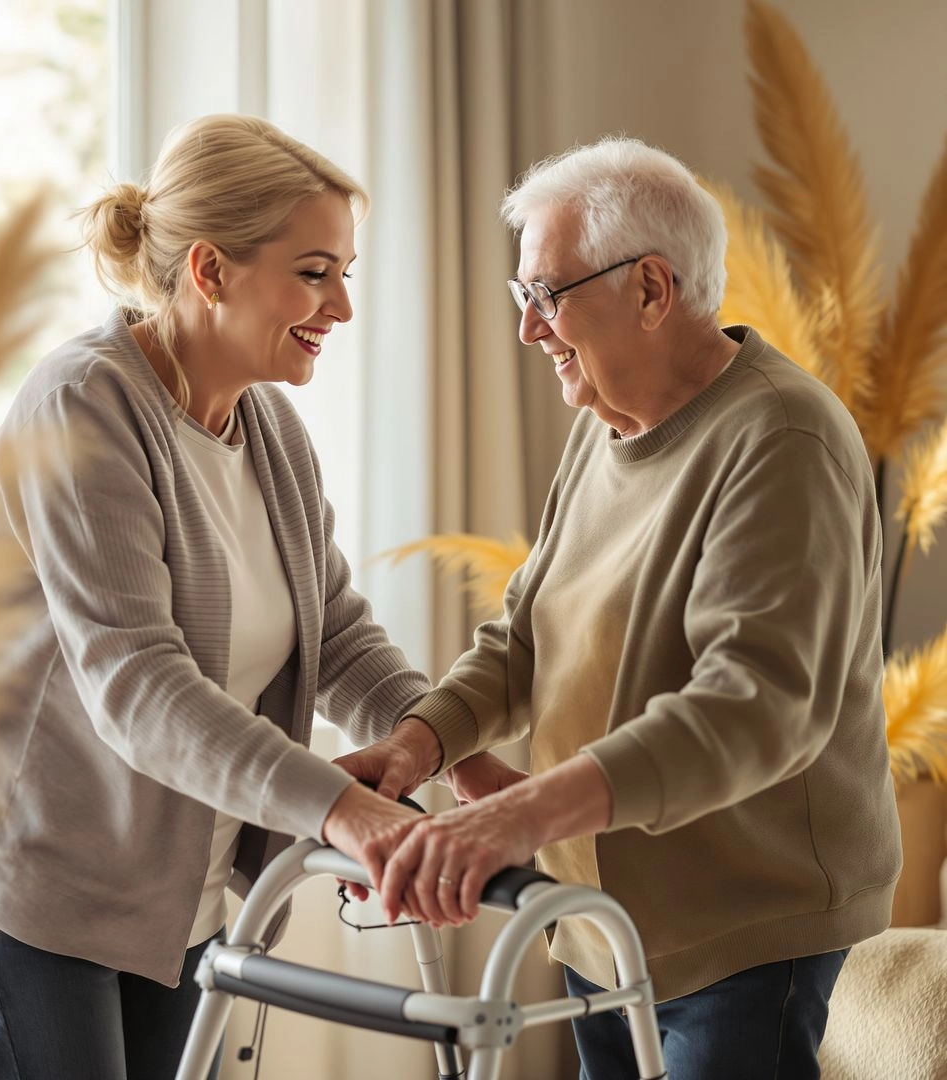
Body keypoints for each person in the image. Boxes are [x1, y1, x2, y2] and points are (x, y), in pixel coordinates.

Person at [336, 136, 903, 1080]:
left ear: (651, 289)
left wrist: (520, 819)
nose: (528, 329)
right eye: (524, 296)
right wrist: (419, 744)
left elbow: (755, 706)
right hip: (603, 920)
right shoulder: (606, 424)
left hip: (742, 926)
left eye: (546, 295)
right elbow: (524, 641)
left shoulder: (782, 437)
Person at [0, 113, 441, 1080]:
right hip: (32, 861)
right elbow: (137, 681)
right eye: (315, 272)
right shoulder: (84, 403)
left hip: (175, 884)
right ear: (210, 271)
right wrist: (341, 808)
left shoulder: (270, 428)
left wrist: (447, 743)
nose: (343, 309)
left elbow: (334, 634)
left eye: (346, 274)